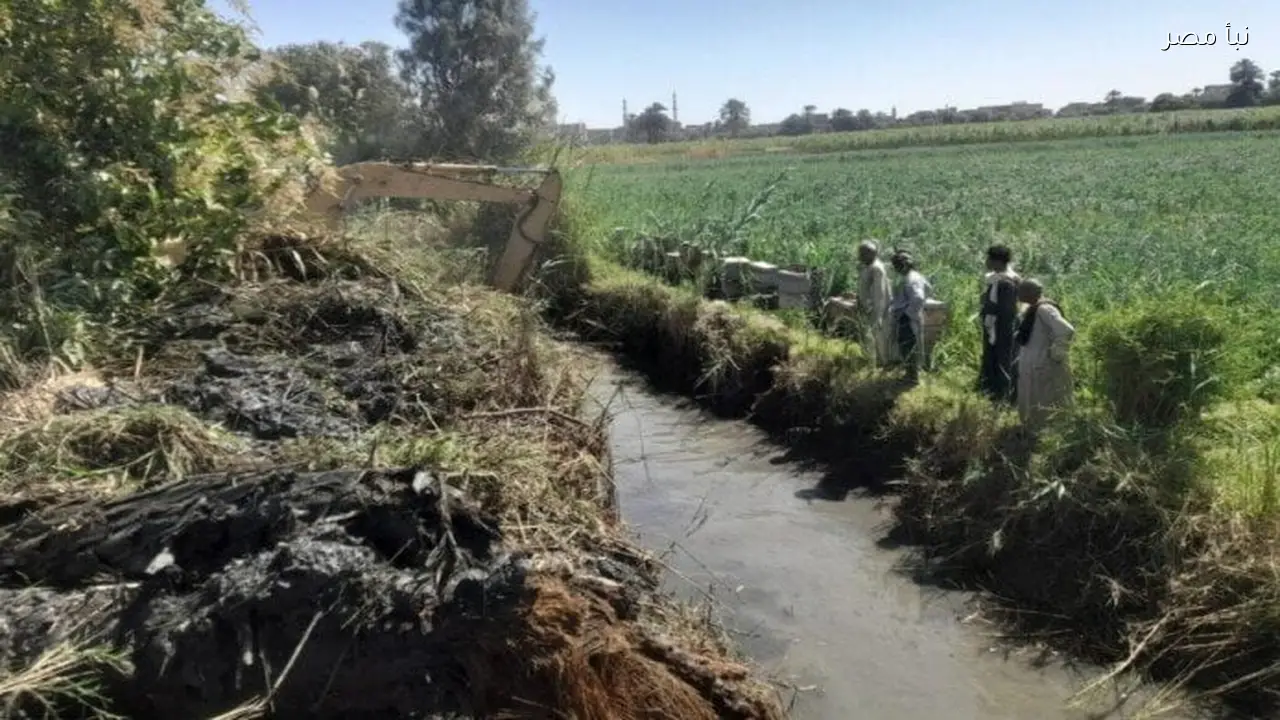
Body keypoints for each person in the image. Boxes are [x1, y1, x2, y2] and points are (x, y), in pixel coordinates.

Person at [1014, 278, 1075, 429]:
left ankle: (1049, 430)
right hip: (1033, 363)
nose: (1018, 294)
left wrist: (1056, 353)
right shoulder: (1030, 309)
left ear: (1030, 293)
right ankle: (1031, 428)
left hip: (1043, 363)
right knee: (1033, 398)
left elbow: (1066, 330)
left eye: (1021, 291)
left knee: (1046, 400)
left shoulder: (1045, 309)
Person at [977, 245, 1021, 403]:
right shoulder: (995, 279)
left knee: (1003, 360)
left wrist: (989, 307)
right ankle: (991, 393)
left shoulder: (1006, 282)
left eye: (988, 258)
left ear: (996, 261)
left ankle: (1004, 397)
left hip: (1003, 329)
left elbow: (1007, 311)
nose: (986, 261)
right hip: (995, 327)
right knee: (992, 359)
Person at [889, 250, 932, 383]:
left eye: (897, 266)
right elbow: (929, 289)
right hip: (908, 315)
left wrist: (907, 313)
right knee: (906, 345)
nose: (896, 269)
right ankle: (910, 373)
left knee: (908, 345)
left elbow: (918, 298)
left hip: (908, 317)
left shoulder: (911, 279)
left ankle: (912, 376)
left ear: (905, 265)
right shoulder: (912, 276)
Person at [855, 240, 894, 366]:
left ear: (870, 254)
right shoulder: (869, 266)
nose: (859, 256)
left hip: (876, 309)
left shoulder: (876, 269)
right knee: (870, 335)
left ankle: (882, 363)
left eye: (861, 254)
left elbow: (879, 294)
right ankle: (871, 360)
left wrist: (877, 313)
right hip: (869, 307)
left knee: (878, 335)